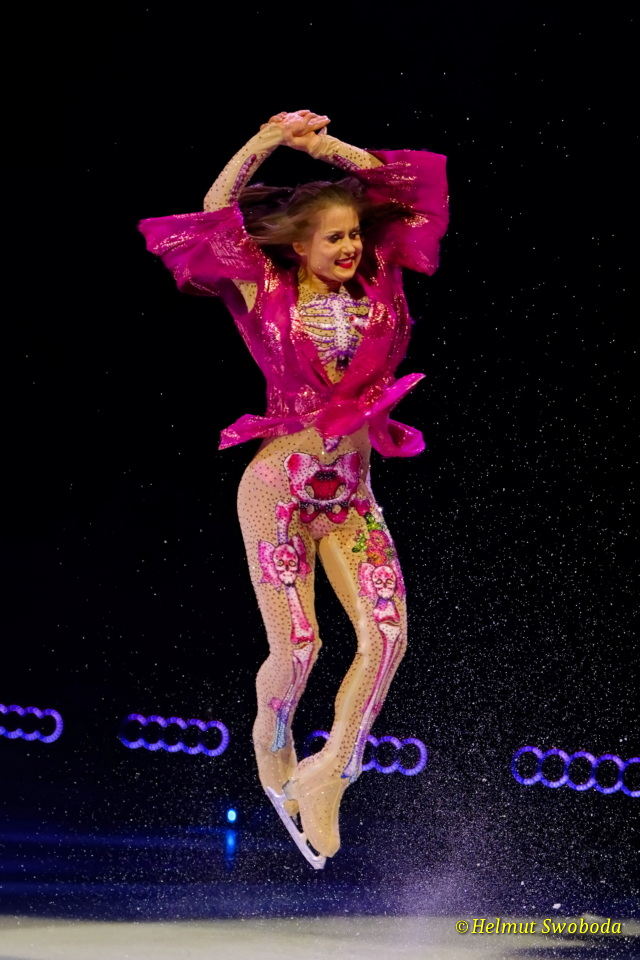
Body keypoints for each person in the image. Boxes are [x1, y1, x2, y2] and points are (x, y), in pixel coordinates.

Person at [137, 110, 449, 868]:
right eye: (333, 237)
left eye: (354, 234)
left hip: (351, 497)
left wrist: (326, 147)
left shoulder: (382, 279)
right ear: (299, 245)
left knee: (388, 636)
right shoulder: (263, 288)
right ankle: (270, 739)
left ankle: (332, 771)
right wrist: (266, 142)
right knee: (301, 647)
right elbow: (215, 212)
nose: (350, 247)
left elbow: (410, 194)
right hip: (278, 490)